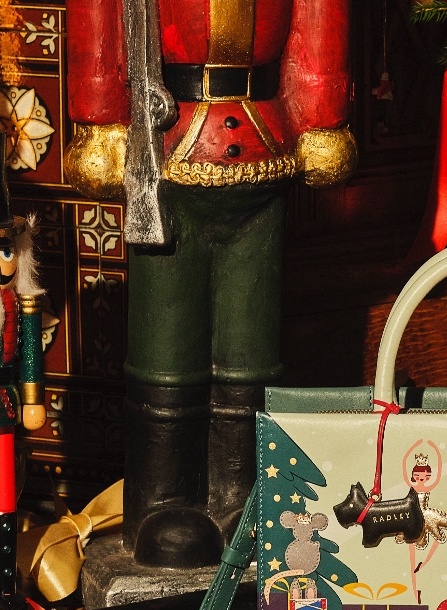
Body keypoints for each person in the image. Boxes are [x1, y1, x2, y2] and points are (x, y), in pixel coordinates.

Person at [64, 0, 356, 567]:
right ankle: (162, 499)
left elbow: (319, 17)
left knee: (251, 347)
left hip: (265, 142)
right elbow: (98, 18)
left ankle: (240, 494)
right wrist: (101, 122)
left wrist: (322, 116)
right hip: (167, 151)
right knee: (166, 344)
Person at [0, 167, 45, 610]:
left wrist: (32, 399)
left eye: (5, 250)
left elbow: (29, 349)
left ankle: (5, 584)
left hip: (4, 406)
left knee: (5, 496)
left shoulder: (19, 301)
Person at [397, 439, 447, 604]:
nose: (421, 479)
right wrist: (413, 448)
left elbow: (438, 475)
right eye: (418, 476)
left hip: (426, 515)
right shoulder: (411, 486)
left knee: (436, 540)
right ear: (413, 476)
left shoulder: (428, 487)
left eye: (425, 476)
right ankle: (414, 587)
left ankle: (422, 568)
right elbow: (404, 469)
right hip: (412, 516)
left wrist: (436, 450)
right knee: (412, 548)